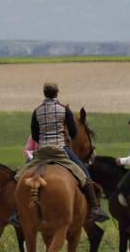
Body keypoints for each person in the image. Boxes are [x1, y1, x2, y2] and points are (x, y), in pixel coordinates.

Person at [30, 82, 108, 222]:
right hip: (61, 149)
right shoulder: (64, 110)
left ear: (44, 93)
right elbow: (73, 132)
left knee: (19, 175)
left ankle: (16, 211)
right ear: (57, 93)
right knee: (84, 174)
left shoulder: (37, 111)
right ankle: (95, 208)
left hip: (42, 151)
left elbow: (35, 135)